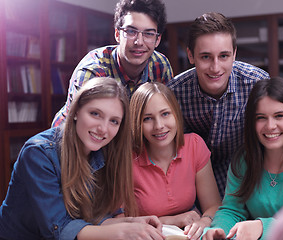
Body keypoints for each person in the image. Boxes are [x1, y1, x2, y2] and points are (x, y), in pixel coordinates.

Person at [0, 77, 165, 240]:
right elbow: (60, 229)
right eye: (95, 114)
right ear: (76, 111)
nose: (103, 129)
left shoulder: (107, 151)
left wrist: (132, 223)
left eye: (114, 121)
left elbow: (94, 219)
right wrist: (122, 232)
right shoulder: (38, 153)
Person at [202, 77, 283, 240]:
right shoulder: (242, 160)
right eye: (261, 117)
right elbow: (231, 210)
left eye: (279, 116)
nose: (270, 126)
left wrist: (262, 227)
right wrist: (218, 230)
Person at [167, 12, 270, 198]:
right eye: (206, 57)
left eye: (224, 56)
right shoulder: (174, 93)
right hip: (192, 188)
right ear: (190, 55)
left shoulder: (257, 84)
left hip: (250, 182)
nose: (215, 68)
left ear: (234, 54)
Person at [52, 0, 173, 127]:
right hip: (72, 139)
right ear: (117, 34)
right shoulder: (93, 72)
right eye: (131, 31)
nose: (139, 42)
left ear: (157, 40)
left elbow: (165, 115)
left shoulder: (160, 65)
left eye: (148, 34)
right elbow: (85, 131)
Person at [130, 82, 221, 240]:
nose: (159, 126)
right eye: (147, 119)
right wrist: (172, 220)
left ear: (176, 115)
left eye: (165, 114)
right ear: (137, 123)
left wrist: (204, 221)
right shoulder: (127, 160)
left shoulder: (194, 145)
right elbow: (118, 222)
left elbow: (213, 206)